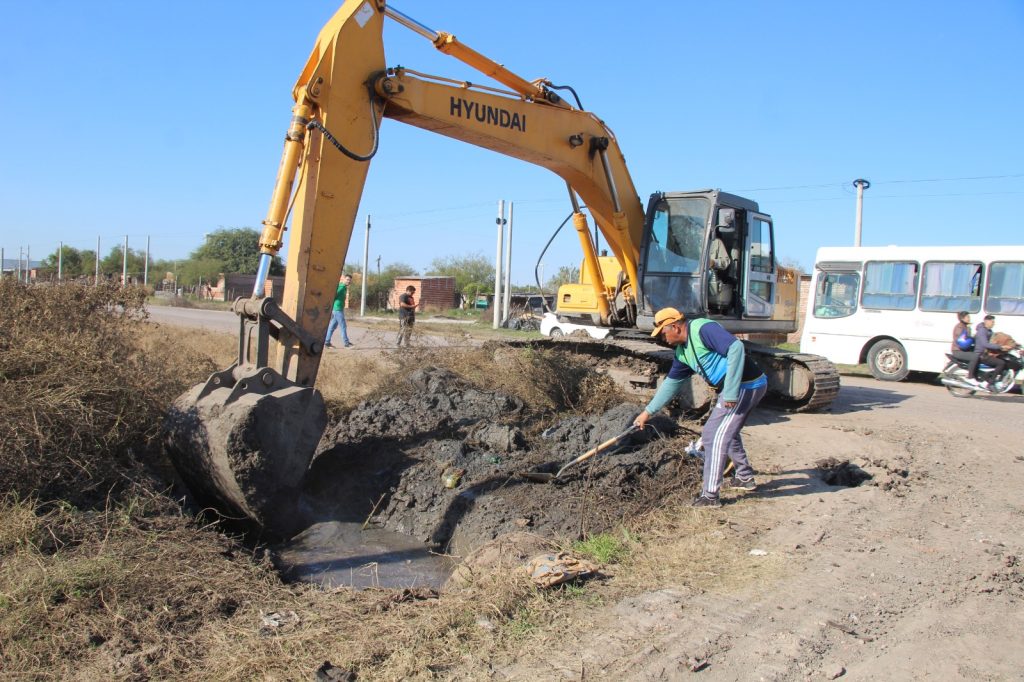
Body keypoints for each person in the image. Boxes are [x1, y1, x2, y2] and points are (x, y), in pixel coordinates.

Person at [633, 307, 767, 508]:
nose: (663, 338)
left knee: (713, 434)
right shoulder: (683, 352)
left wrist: (730, 392)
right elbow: (671, 384)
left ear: (675, 327)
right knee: (727, 431)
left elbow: (736, 348)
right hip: (735, 389)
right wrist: (647, 412)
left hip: (746, 385)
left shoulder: (703, 329)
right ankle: (744, 477)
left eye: (663, 332)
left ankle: (710, 495)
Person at [973, 314, 1010, 384]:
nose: (994, 323)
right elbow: (985, 344)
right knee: (1001, 363)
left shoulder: (989, 331)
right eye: (992, 322)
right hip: (981, 355)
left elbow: (996, 338)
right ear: (986, 321)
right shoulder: (982, 331)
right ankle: (991, 381)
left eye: (994, 322)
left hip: (986, 353)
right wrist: (1001, 347)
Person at [949, 311, 982, 384]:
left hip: (964, 349)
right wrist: (971, 339)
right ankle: (970, 377)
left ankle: (976, 376)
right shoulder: (959, 327)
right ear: (962, 318)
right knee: (974, 356)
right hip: (958, 351)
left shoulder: (965, 326)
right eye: (967, 317)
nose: (969, 318)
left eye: (969, 317)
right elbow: (961, 341)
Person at [324, 273, 353, 348]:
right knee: (343, 326)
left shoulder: (344, 287)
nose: (348, 281)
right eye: (347, 279)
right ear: (343, 279)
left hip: (337, 309)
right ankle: (346, 344)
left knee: (332, 326)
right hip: (337, 310)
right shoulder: (341, 287)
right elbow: (333, 295)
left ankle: (327, 342)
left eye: (349, 280)